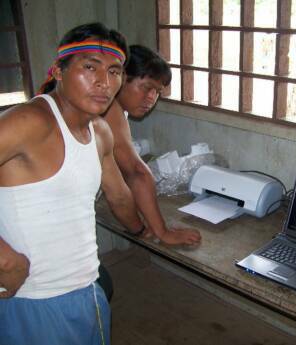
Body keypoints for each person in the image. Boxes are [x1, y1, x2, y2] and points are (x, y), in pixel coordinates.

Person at [0, 23, 150, 345]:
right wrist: (4, 258)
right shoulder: (29, 122)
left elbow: (118, 195)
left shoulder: (99, 131)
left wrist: (145, 231)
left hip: (86, 289)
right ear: (58, 71)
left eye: (114, 71)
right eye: (89, 67)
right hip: (34, 299)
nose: (103, 82)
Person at [103, 45, 201, 245]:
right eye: (147, 87)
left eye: (157, 91)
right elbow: (137, 173)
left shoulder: (107, 106)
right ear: (121, 78)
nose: (151, 98)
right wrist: (162, 232)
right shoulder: (109, 107)